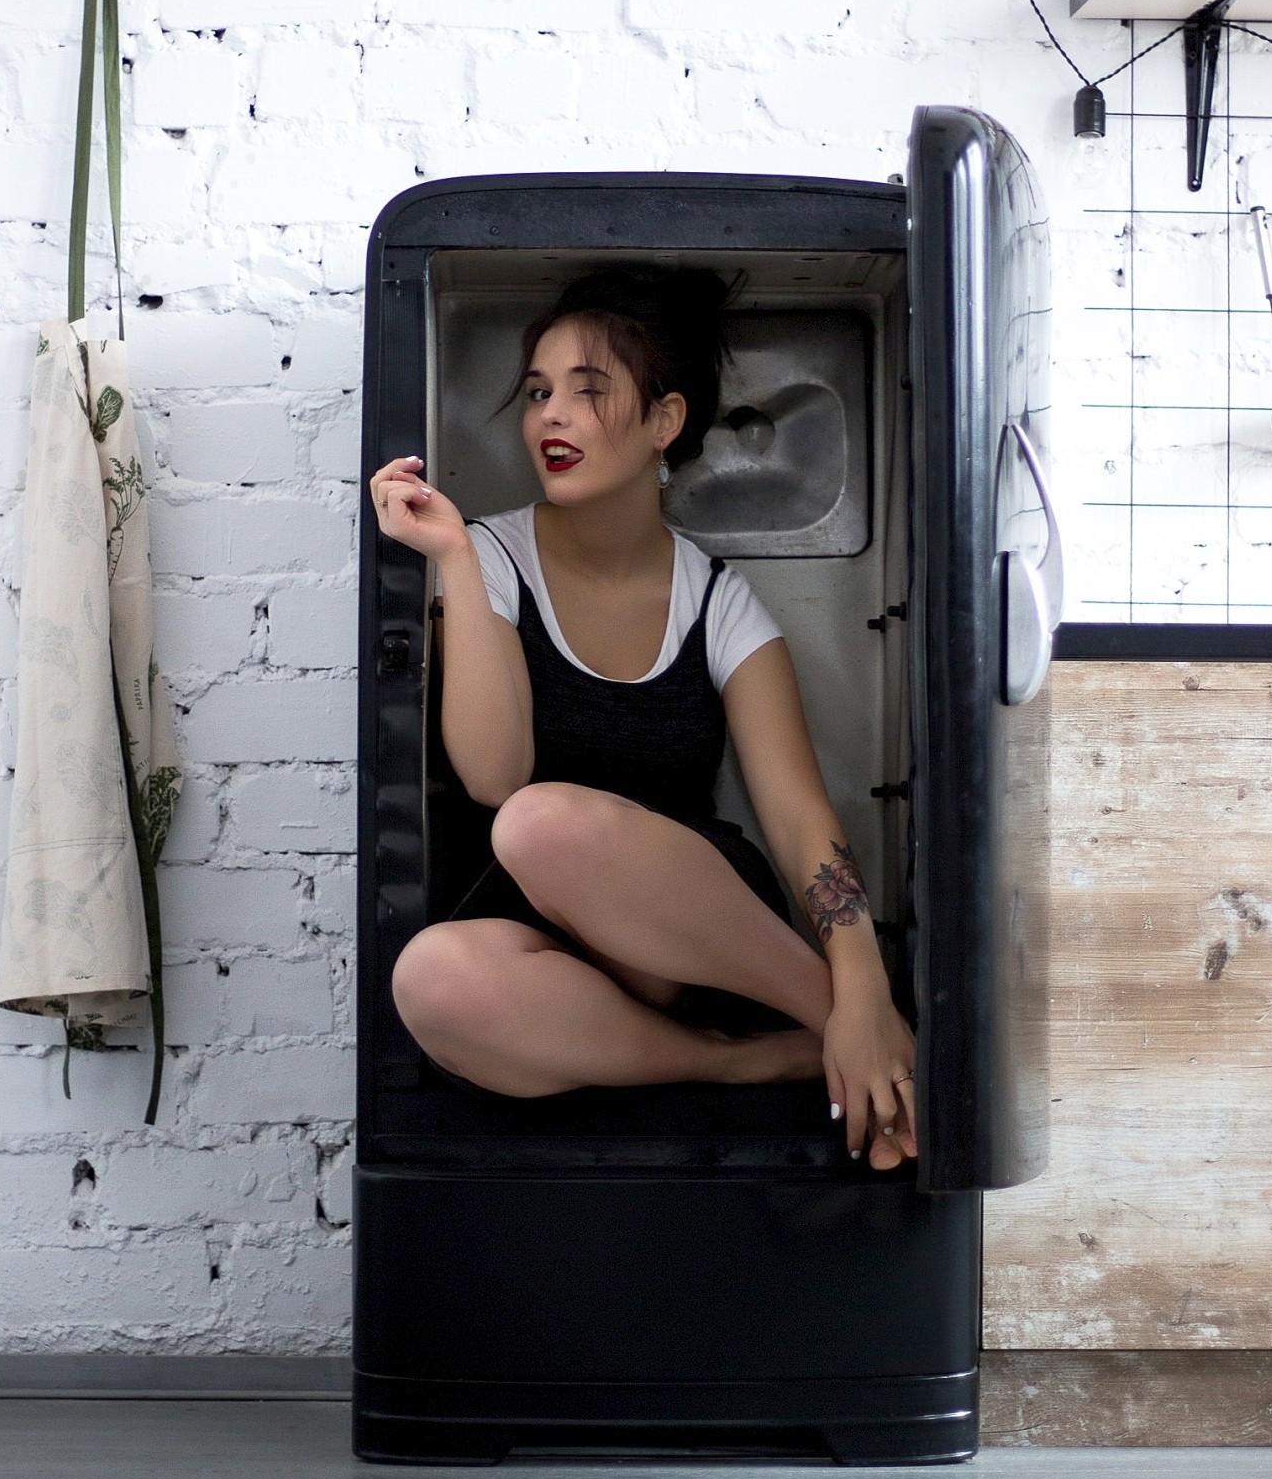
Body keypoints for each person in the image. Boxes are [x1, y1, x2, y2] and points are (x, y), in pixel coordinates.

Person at [370, 265, 917, 1171]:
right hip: (562, 960)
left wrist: (863, 988)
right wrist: (456, 561)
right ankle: (747, 1061)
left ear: (665, 421)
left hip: (698, 939)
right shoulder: (490, 557)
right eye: (539, 392)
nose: (552, 416)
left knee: (546, 824)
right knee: (437, 968)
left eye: (588, 392)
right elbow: (494, 776)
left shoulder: (720, 603)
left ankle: (851, 1026)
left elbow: (798, 819)